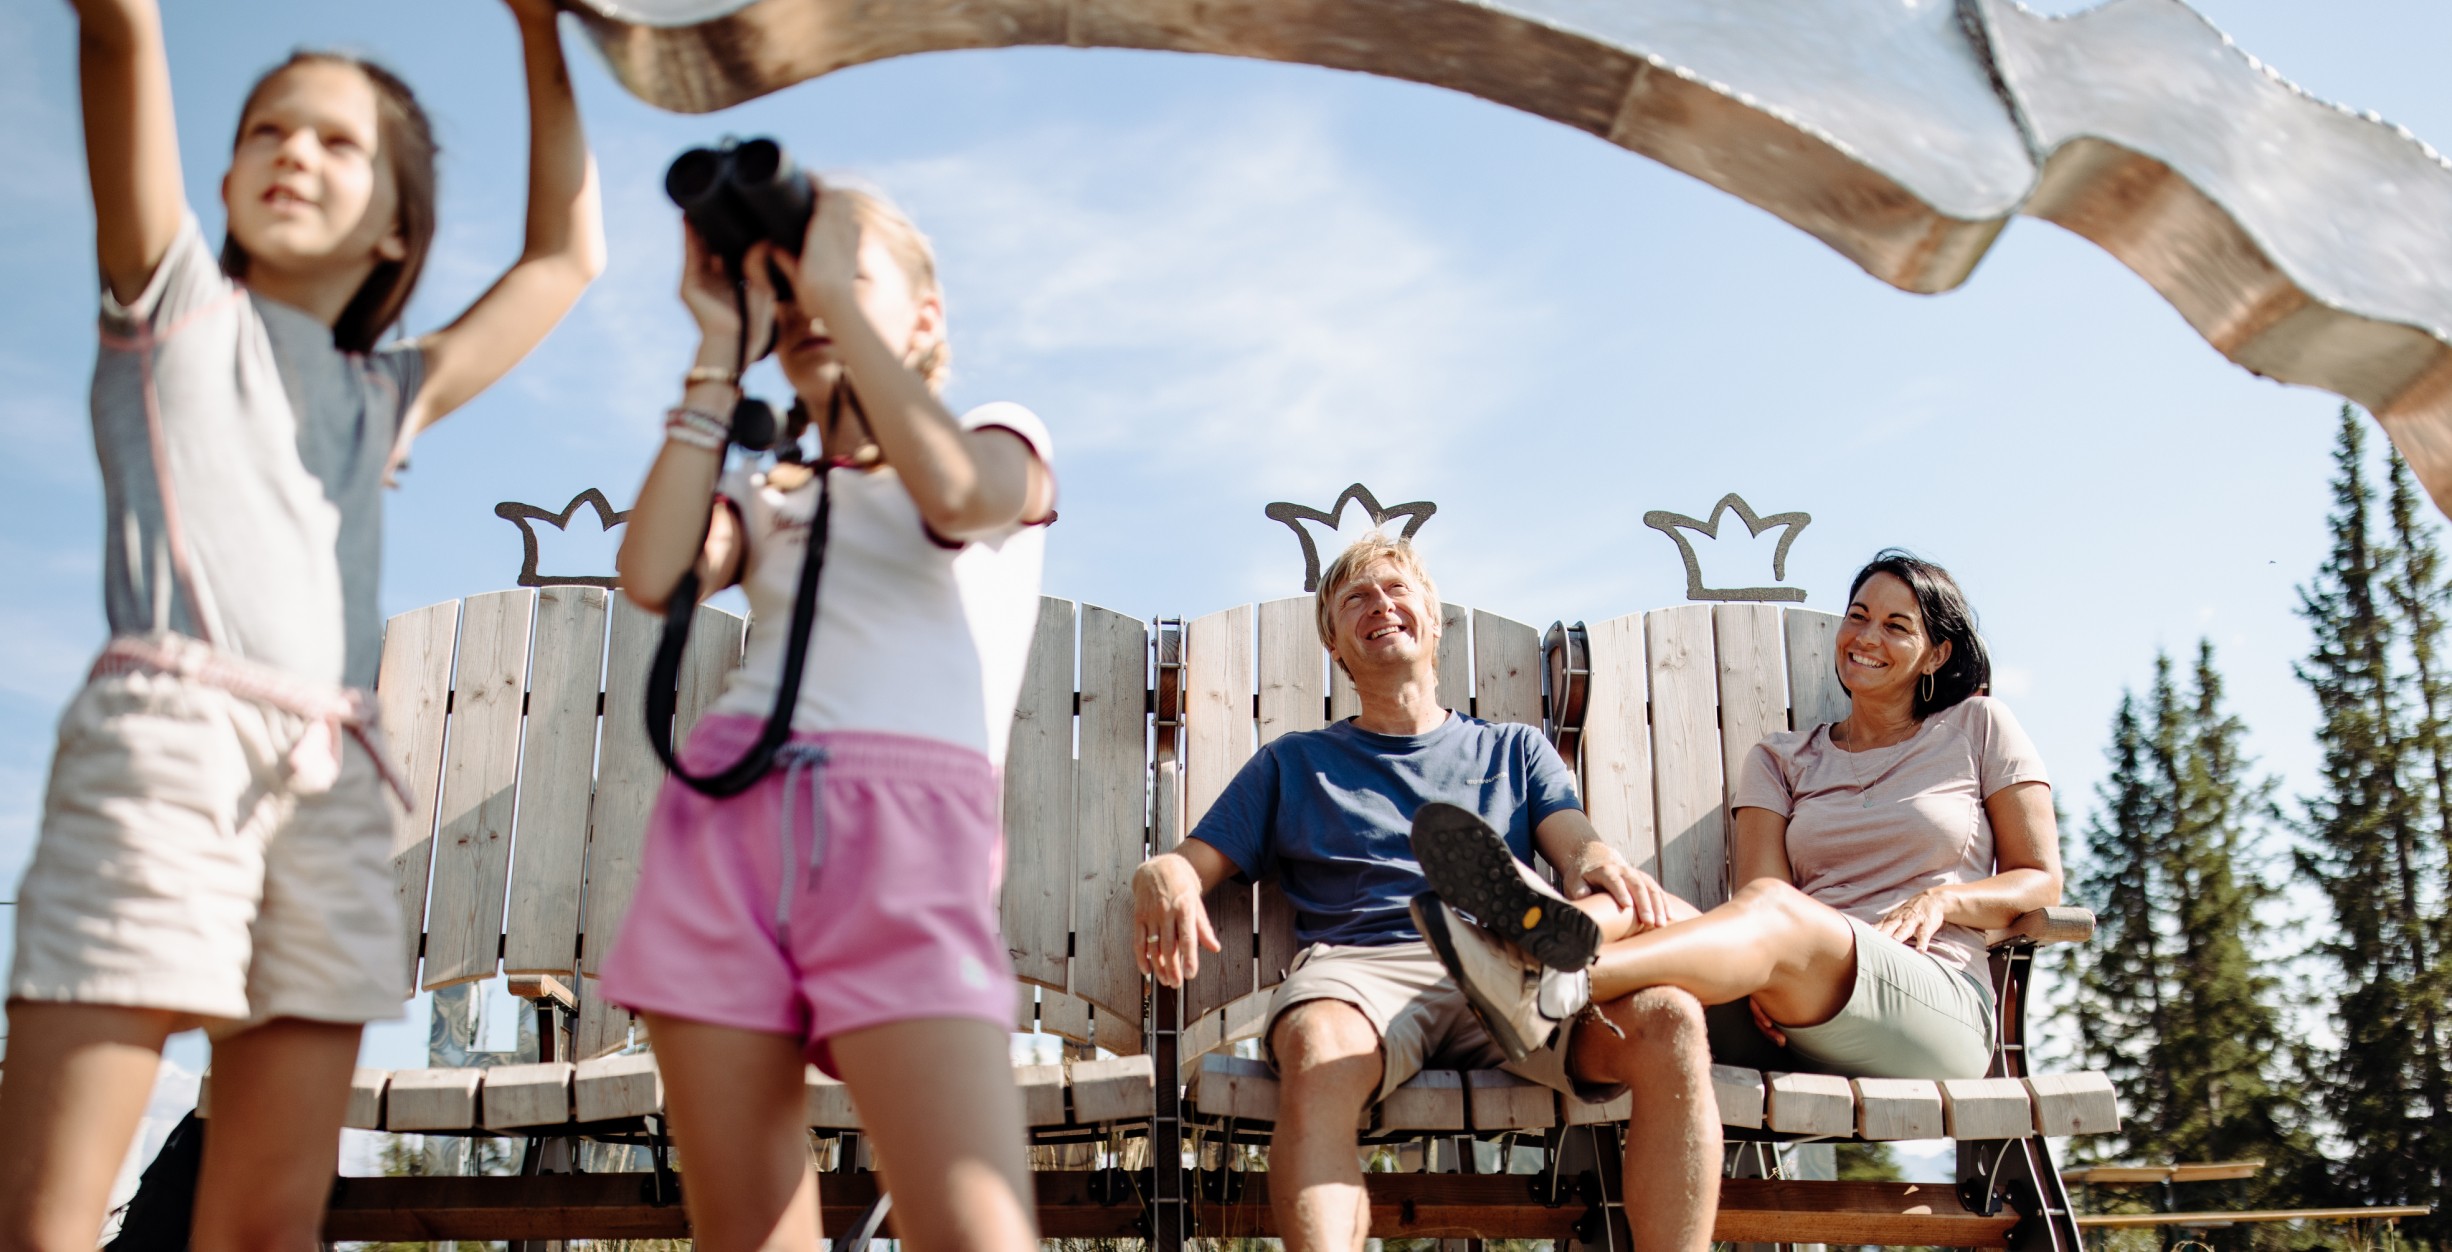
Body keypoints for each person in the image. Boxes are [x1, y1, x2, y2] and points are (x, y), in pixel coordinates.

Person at [0, 2, 602, 1248]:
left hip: (330, 788)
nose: (293, 151)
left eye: (338, 141)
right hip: (166, 751)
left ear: (395, 225)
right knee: (44, 1216)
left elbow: (564, 260)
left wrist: (541, 35)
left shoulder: (385, 395)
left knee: (266, 1223)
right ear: (221, 180)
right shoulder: (170, 305)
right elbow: (117, 34)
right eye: (267, 130)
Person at [605, 176, 1056, 1252]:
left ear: (925, 317)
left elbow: (959, 494)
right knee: (748, 1235)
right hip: (728, 824)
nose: (810, 299)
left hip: (905, 841)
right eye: (790, 285)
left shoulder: (997, 433)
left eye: (842, 273)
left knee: (975, 1230)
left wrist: (841, 320)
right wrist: (719, 351)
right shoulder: (772, 492)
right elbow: (655, 572)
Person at [1412, 549, 2063, 1247]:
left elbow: (2040, 878)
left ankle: (1550, 978)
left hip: (1930, 1004)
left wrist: (1945, 902)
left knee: (1776, 916)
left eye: (1896, 626)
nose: (1867, 637)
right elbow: (1760, 892)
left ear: (1936, 653)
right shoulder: (1783, 759)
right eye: (1858, 616)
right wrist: (1765, 968)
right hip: (1788, 1011)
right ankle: (1531, 951)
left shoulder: (1978, 728)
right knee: (1640, 903)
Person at [1132, 533, 1717, 1252]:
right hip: (1364, 971)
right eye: (1356, 599)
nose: (1380, 605)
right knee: (1317, 1047)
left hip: (1513, 967)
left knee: (1670, 1021)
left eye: (1396, 590)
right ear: (1334, 646)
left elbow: (1579, 848)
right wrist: (1160, 874)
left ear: (1434, 621)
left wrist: (1596, 860)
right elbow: (1189, 865)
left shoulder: (1515, 751)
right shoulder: (1294, 763)